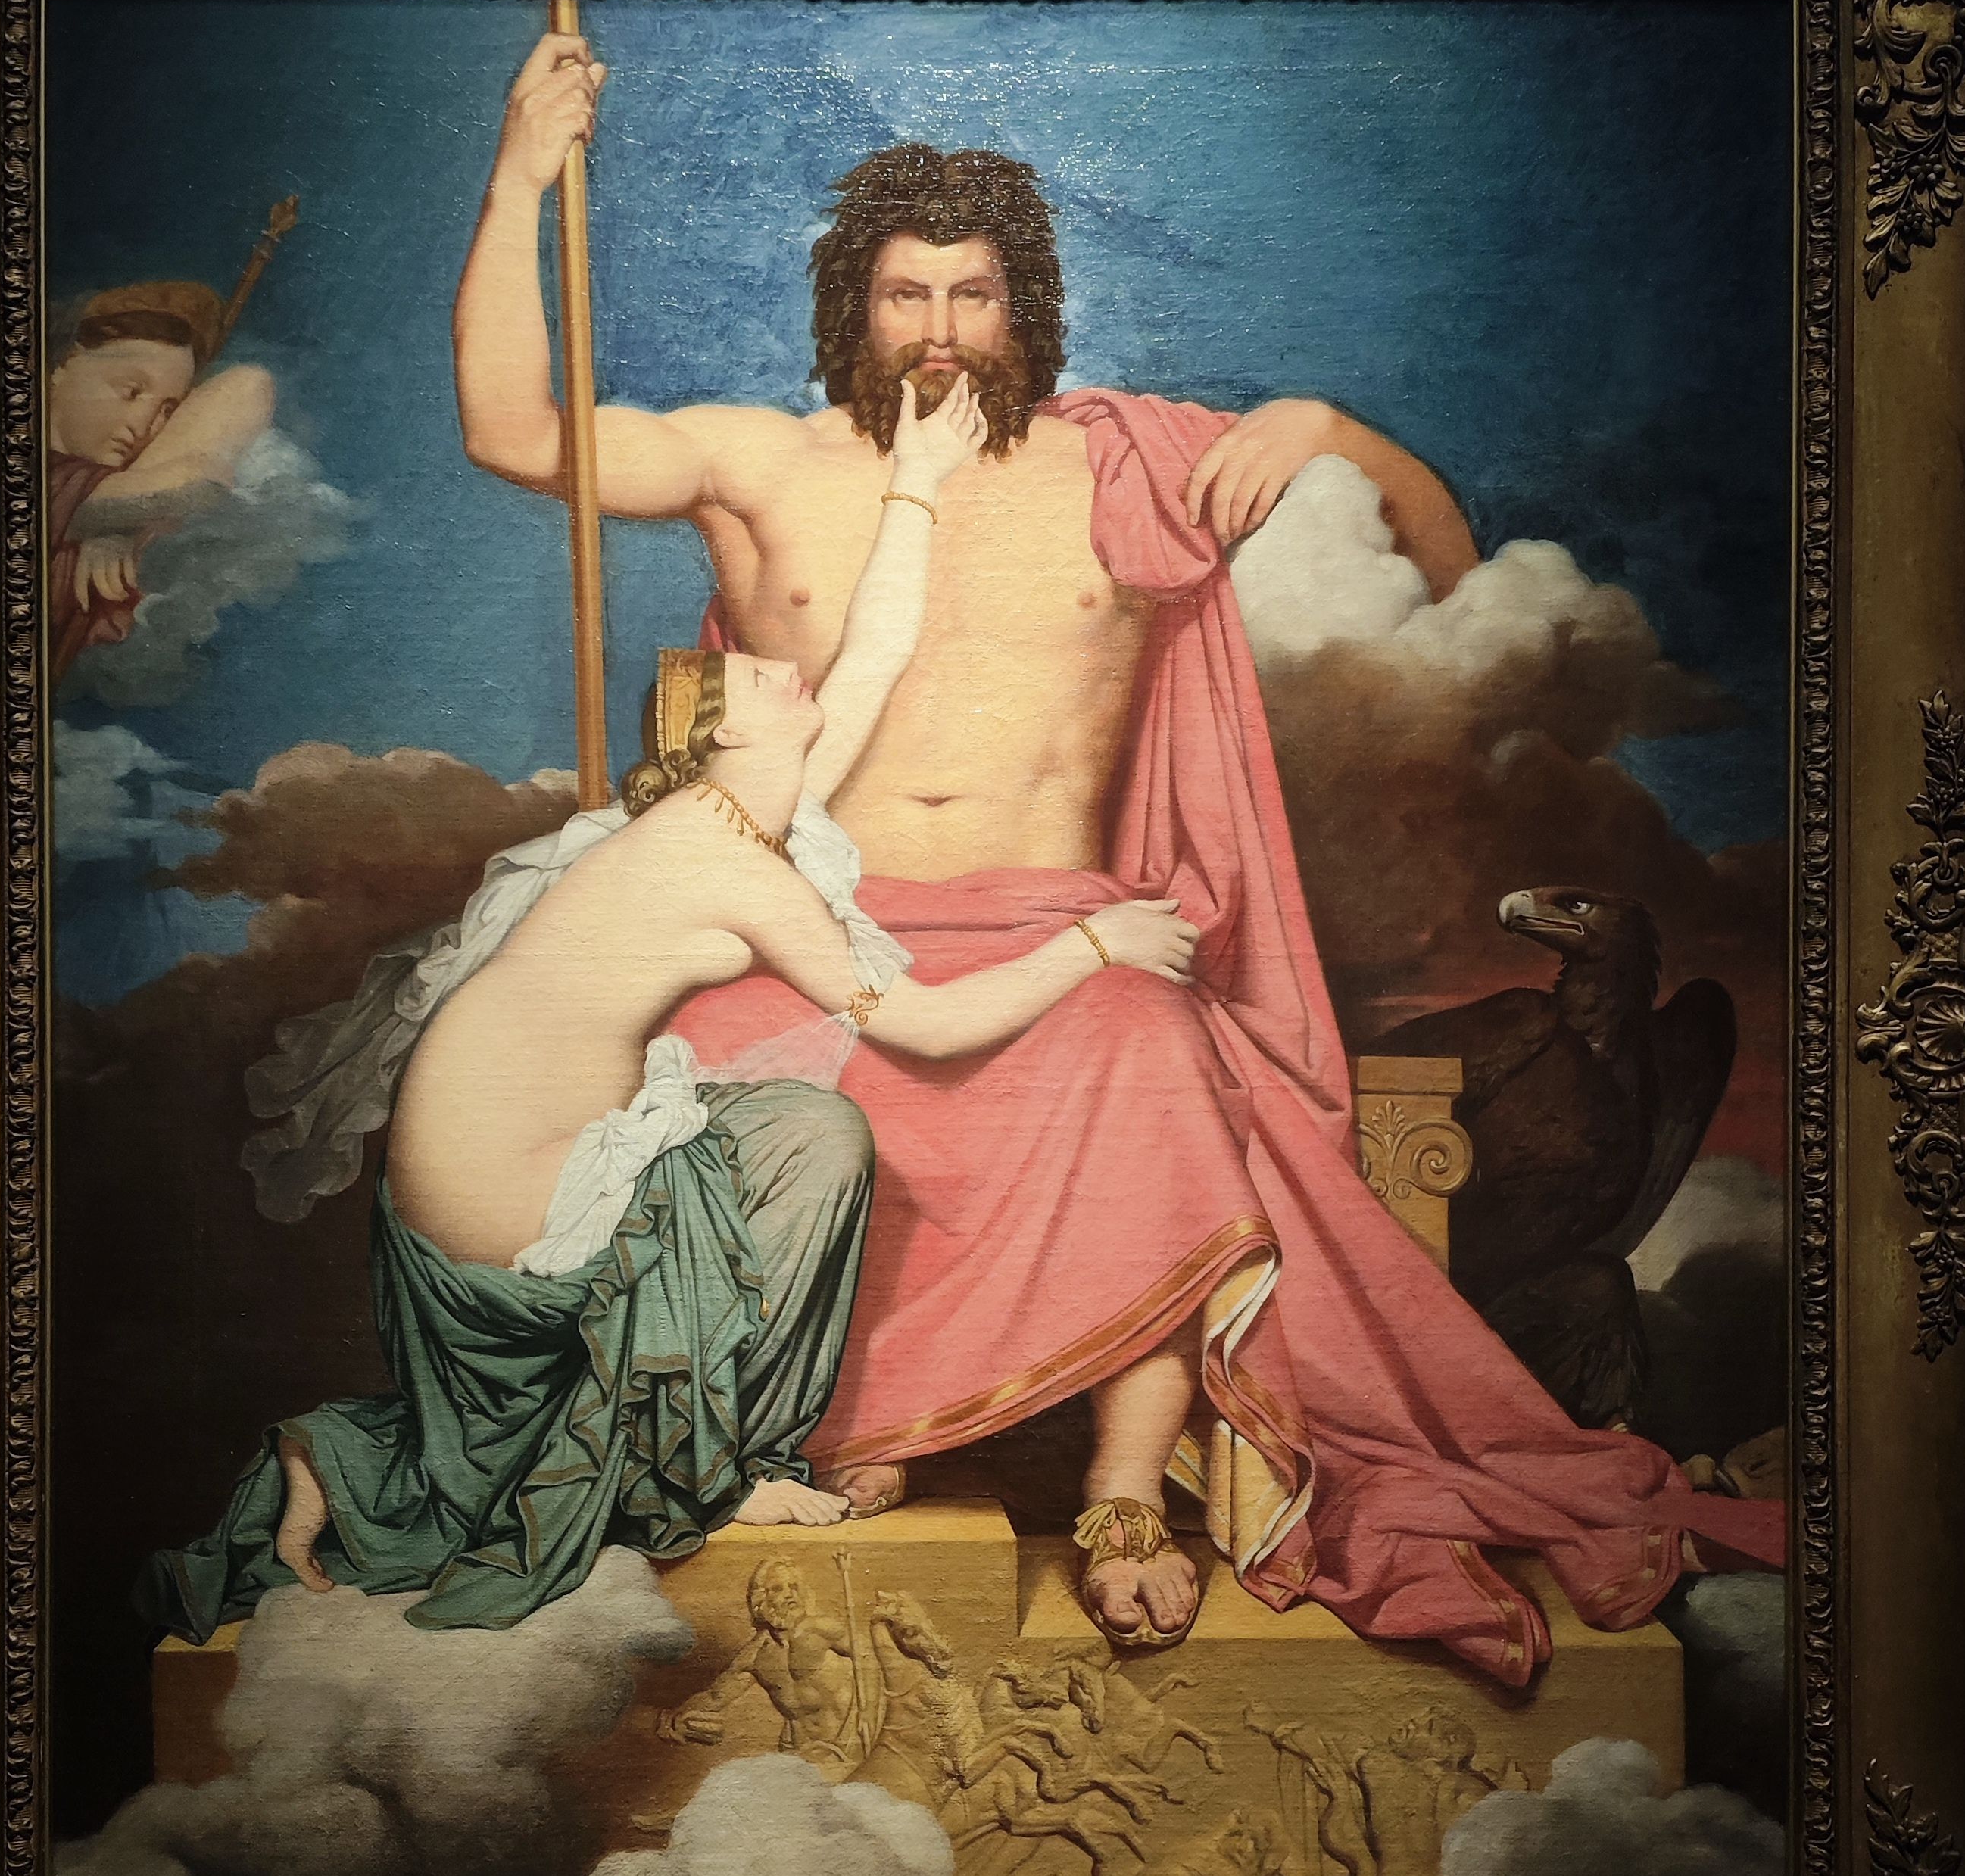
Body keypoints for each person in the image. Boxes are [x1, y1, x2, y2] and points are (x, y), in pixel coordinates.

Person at [446, 30, 1783, 1684]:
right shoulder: (758, 464)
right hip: (821, 925)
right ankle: (847, 1426)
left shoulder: (1127, 464)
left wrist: (1321, 427)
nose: (940, 330)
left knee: (1145, 1047)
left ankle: (1124, 1490)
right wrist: (521, 171)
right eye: (904, 294)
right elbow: (511, 431)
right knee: (719, 1069)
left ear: (1027, 308)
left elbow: (1442, 554)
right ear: (852, 307)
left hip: (1061, 923)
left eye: (974, 294)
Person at [151, 366, 1198, 1640]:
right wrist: (1092, 941)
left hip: (501, 1159)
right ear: (726, 740)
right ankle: (712, 1468)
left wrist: (916, 481)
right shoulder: (722, 858)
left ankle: (351, 1460)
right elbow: (925, 1024)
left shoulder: (749, 810)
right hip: (499, 1189)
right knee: (816, 1141)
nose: (778, 669)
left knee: (788, 1126)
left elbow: (874, 652)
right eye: (755, 679)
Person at [47, 280, 274, 679]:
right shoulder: (41, 478)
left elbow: (249, 387)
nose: (143, 426)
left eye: (167, 412)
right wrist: (110, 512)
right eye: (131, 392)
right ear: (63, 368)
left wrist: (116, 520)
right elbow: (198, 478)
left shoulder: (114, 494)